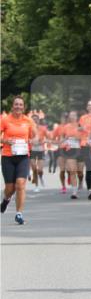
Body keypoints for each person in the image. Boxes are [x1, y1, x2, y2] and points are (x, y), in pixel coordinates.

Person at [1, 96, 37, 224]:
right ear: (12, 106)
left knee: (20, 184)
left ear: (24, 107)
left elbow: (35, 135)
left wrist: (33, 140)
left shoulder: (28, 121)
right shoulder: (5, 120)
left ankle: (19, 214)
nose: (18, 107)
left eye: (20, 104)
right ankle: (6, 199)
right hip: (7, 157)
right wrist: (5, 140)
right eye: (16, 104)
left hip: (23, 157)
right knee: (10, 188)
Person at [79, 99, 91, 201]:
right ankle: (89, 190)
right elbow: (80, 130)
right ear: (87, 107)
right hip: (85, 145)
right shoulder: (83, 118)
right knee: (89, 167)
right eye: (89, 105)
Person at [61, 110, 84, 199]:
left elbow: (86, 136)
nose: (72, 117)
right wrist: (65, 139)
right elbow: (62, 138)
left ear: (77, 117)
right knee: (72, 170)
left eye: (74, 115)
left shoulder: (80, 126)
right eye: (71, 115)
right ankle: (74, 192)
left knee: (80, 172)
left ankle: (81, 181)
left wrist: (79, 137)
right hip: (70, 150)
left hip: (80, 150)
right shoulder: (66, 127)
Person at [29, 112, 48, 190]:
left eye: (36, 119)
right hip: (32, 149)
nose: (35, 121)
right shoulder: (29, 129)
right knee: (34, 168)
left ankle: (41, 176)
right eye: (33, 120)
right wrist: (30, 141)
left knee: (40, 169)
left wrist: (44, 142)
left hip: (40, 149)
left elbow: (48, 137)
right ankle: (36, 185)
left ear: (38, 121)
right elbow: (26, 138)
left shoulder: (43, 128)